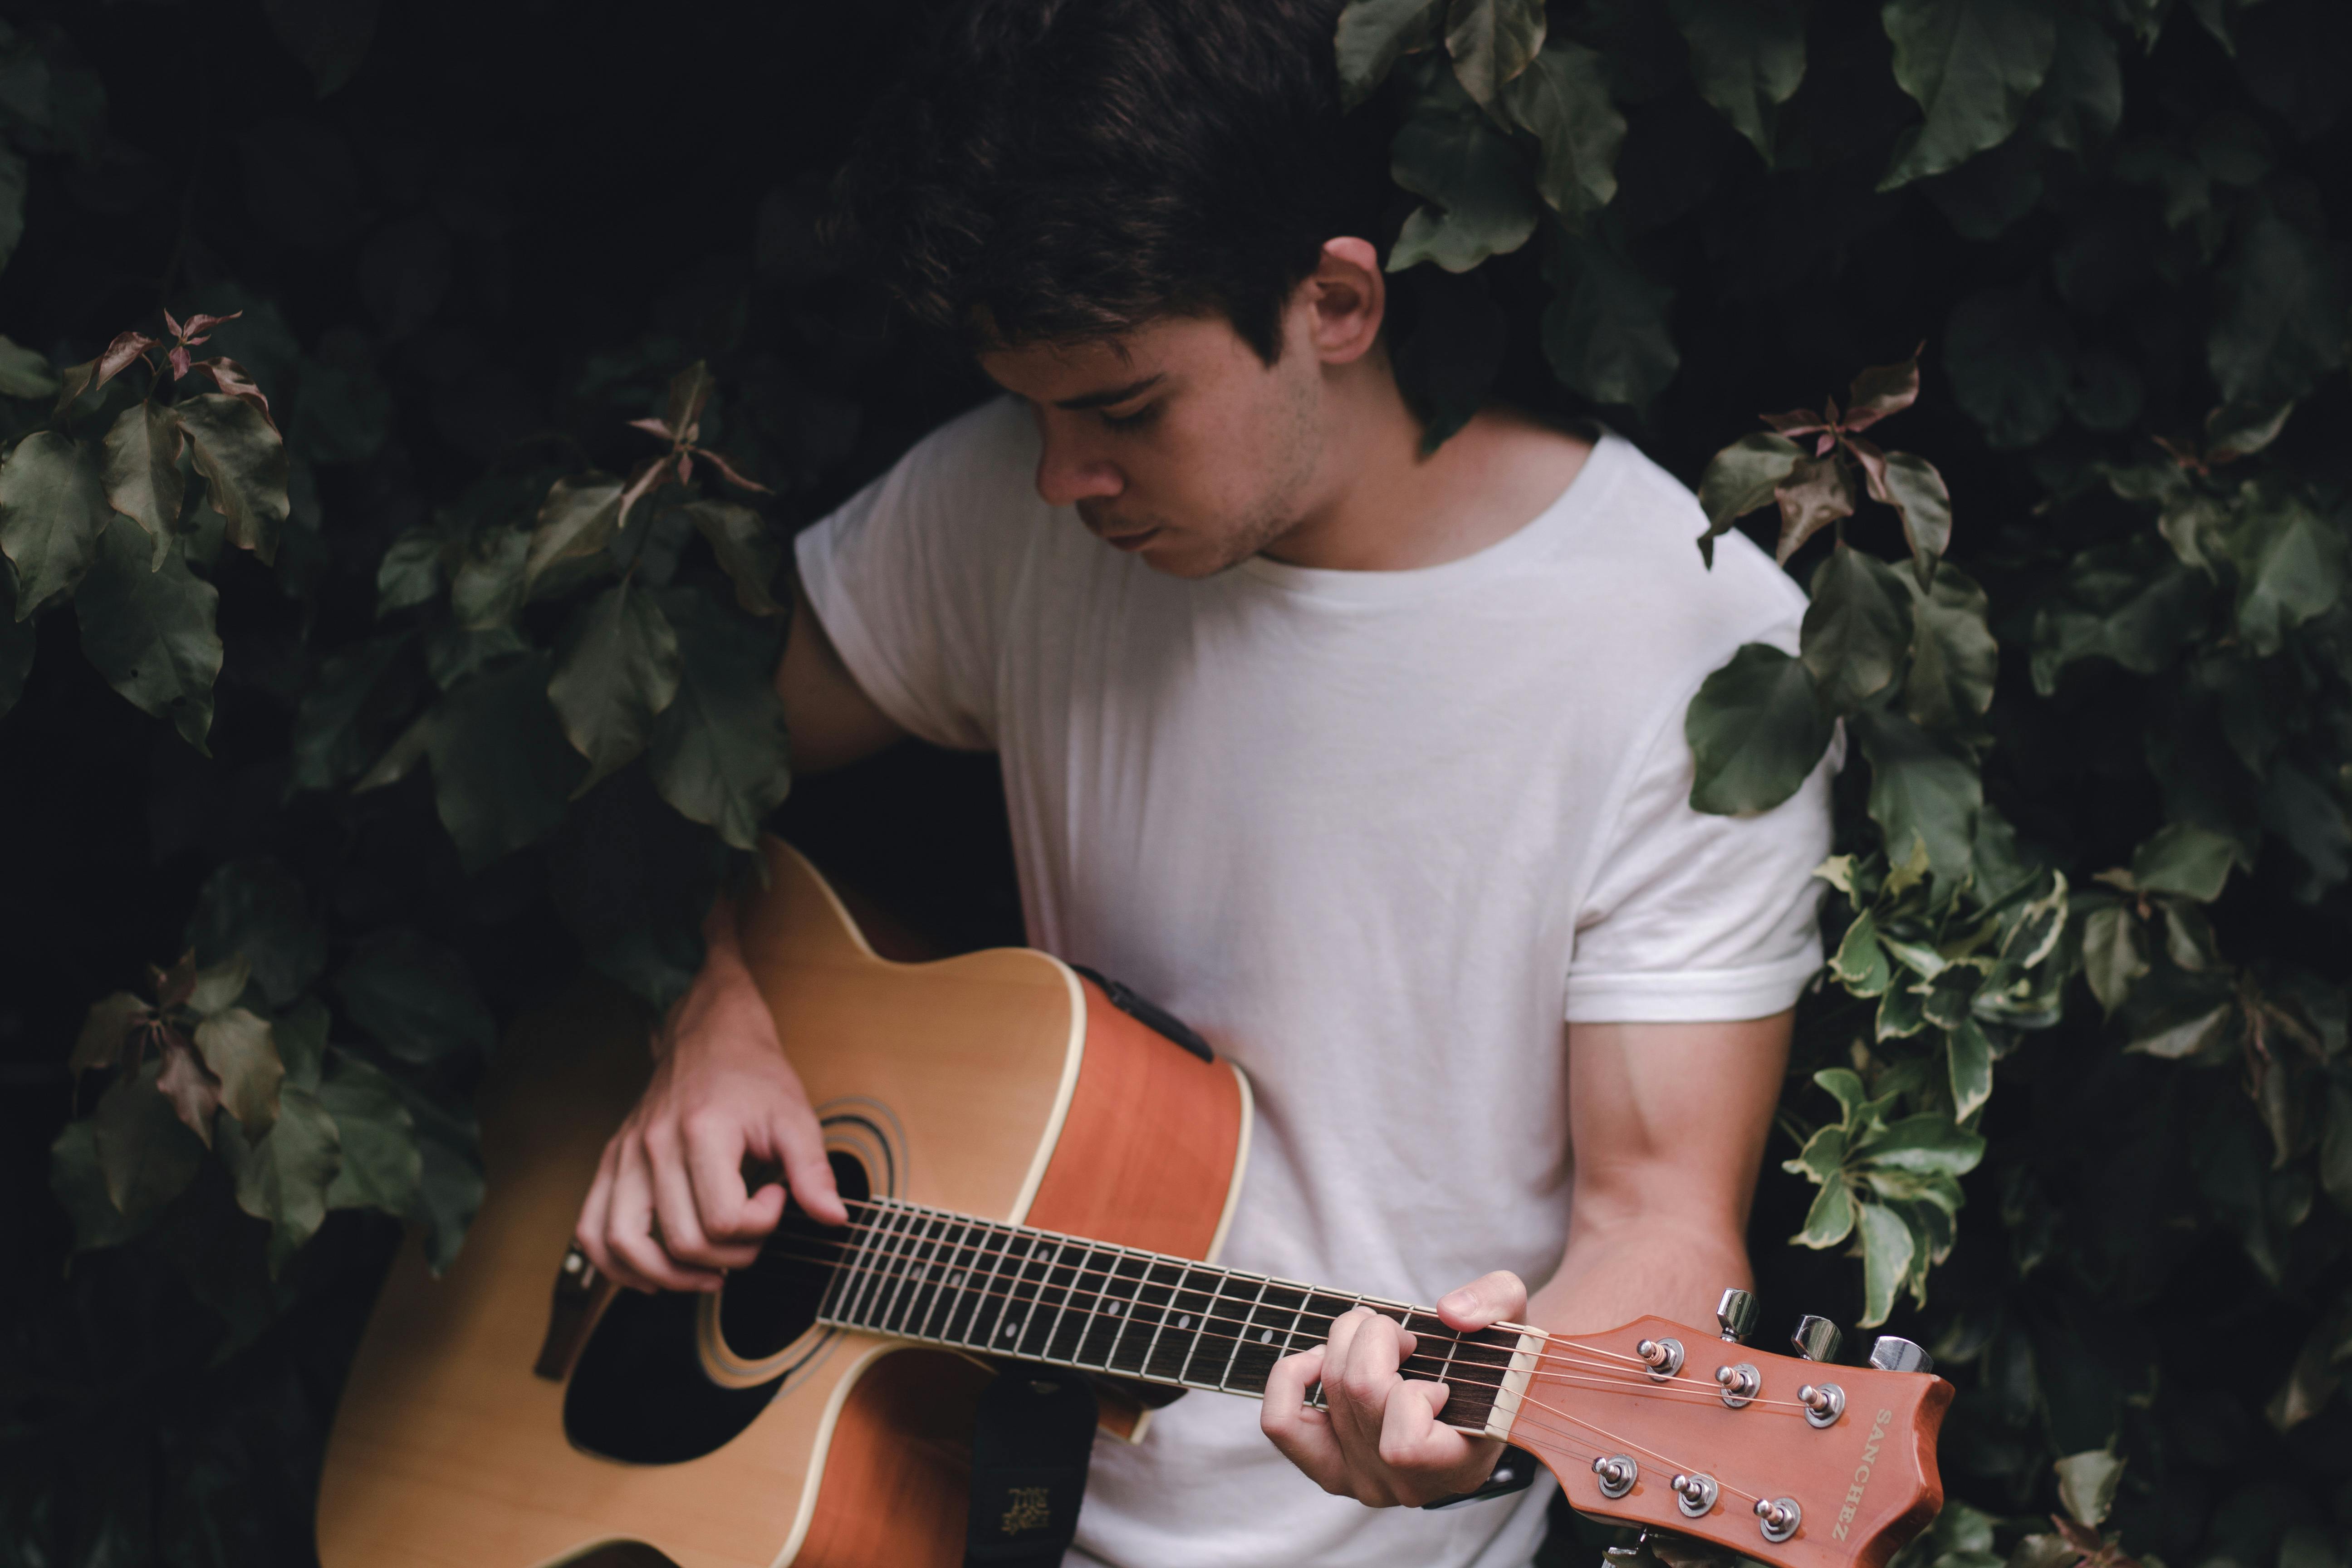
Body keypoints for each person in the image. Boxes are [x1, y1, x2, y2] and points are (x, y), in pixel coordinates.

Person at [572, 1, 1833, 1563]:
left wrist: (1485, 1427)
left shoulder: (1688, 650)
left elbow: (1662, 1221)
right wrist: (706, 1014)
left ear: (1338, 301)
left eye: (1122, 410)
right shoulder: (1006, 511)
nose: (1058, 479)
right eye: (1028, 408)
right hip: (971, 1498)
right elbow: (653, 745)